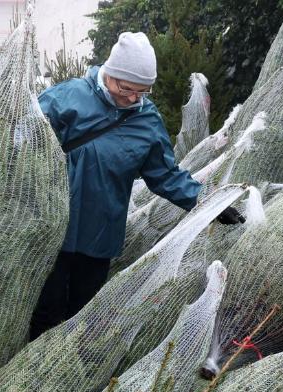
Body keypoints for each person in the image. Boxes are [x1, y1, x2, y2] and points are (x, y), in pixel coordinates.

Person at [29, 32, 244, 340]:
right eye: (125, 88)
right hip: (52, 231)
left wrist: (209, 203)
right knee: (44, 313)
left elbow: (166, 176)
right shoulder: (66, 98)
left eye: (141, 91)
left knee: (82, 318)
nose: (132, 98)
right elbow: (25, 141)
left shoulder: (147, 122)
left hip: (98, 239)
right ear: (109, 72)